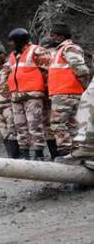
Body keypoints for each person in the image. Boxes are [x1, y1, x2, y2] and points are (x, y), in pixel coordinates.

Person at [7, 28, 52, 160]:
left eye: (12, 41)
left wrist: (46, 91)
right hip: (16, 96)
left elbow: (48, 72)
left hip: (32, 94)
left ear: (19, 41)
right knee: (19, 126)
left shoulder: (37, 51)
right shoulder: (13, 55)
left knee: (35, 125)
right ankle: (24, 154)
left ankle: (39, 154)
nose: (10, 44)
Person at [47, 22, 89, 158]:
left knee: (57, 124)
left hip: (66, 94)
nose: (50, 38)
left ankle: (66, 154)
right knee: (71, 126)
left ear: (60, 36)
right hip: (64, 93)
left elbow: (82, 70)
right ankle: (75, 154)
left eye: (53, 35)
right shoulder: (59, 51)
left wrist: (84, 86)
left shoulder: (69, 48)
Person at [0, 42, 18, 158]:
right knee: (4, 133)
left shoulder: (10, 66)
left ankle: (16, 157)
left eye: (0, 53)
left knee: (12, 131)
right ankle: (10, 156)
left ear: (4, 53)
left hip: (8, 104)